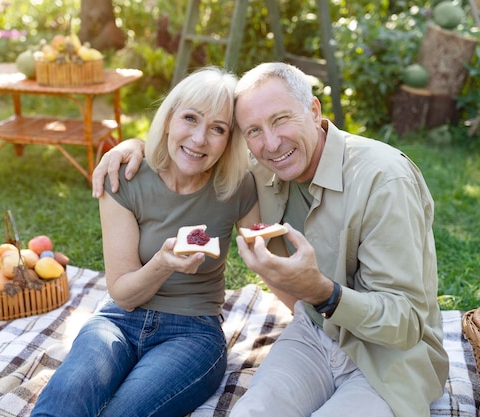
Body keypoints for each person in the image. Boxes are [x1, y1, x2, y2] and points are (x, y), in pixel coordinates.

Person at [92, 62, 449, 417]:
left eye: (280, 120)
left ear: (313, 110)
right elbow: (194, 146)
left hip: (390, 356)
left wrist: (324, 294)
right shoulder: (260, 168)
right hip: (315, 333)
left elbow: (407, 325)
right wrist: (133, 145)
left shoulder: (384, 179)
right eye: (254, 131)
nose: (271, 144)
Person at [31, 66, 260, 417]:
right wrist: (164, 263)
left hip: (193, 333)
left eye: (218, 129)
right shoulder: (126, 177)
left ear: (229, 140)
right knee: (62, 405)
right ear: (168, 119)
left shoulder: (237, 187)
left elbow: (270, 253)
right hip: (118, 320)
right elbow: (122, 293)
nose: (199, 139)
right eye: (190, 118)